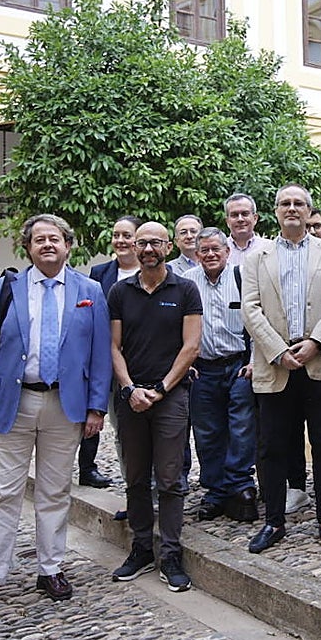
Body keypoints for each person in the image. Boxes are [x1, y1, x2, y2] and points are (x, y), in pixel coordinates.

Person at [0, 214, 112, 617]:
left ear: (68, 245)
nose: (48, 245)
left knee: (55, 491)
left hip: (66, 405)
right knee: (2, 493)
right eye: (39, 239)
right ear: (27, 247)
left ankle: (51, 568)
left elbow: (100, 355)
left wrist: (97, 407)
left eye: (55, 239)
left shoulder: (90, 291)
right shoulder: (1, 291)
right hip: (12, 404)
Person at [242, 184, 321, 555]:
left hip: (319, 361)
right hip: (275, 365)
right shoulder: (257, 257)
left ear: (308, 210)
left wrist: (315, 342)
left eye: (299, 203)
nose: (292, 209)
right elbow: (250, 309)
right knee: (272, 446)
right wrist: (276, 351)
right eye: (285, 203)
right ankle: (273, 521)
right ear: (275, 211)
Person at [109, 222, 202, 591]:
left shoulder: (185, 289)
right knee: (135, 477)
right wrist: (130, 388)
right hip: (131, 397)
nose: (148, 249)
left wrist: (161, 389)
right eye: (142, 242)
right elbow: (114, 347)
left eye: (155, 243)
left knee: (170, 479)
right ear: (134, 246)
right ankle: (142, 548)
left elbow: (191, 346)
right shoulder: (120, 291)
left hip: (170, 397)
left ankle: (172, 554)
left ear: (167, 246)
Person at [181, 227, 259, 523]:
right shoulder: (187, 283)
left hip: (239, 366)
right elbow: (178, 327)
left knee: (241, 428)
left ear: (227, 251)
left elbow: (257, 321)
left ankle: (241, 486)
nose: (211, 254)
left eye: (216, 249)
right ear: (197, 254)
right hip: (202, 370)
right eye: (205, 250)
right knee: (207, 432)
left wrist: (254, 362)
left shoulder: (243, 278)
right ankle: (216, 490)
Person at [80, 215, 144, 489]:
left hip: (140, 358)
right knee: (94, 410)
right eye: (116, 235)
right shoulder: (100, 273)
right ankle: (87, 467)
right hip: (104, 355)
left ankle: (143, 480)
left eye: (126, 235)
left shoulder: (151, 270)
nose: (120, 241)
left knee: (132, 425)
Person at [225, 194, 266, 264]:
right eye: (234, 215)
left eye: (245, 214)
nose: (240, 219)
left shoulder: (269, 248)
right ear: (227, 221)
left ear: (255, 218)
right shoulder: (219, 250)